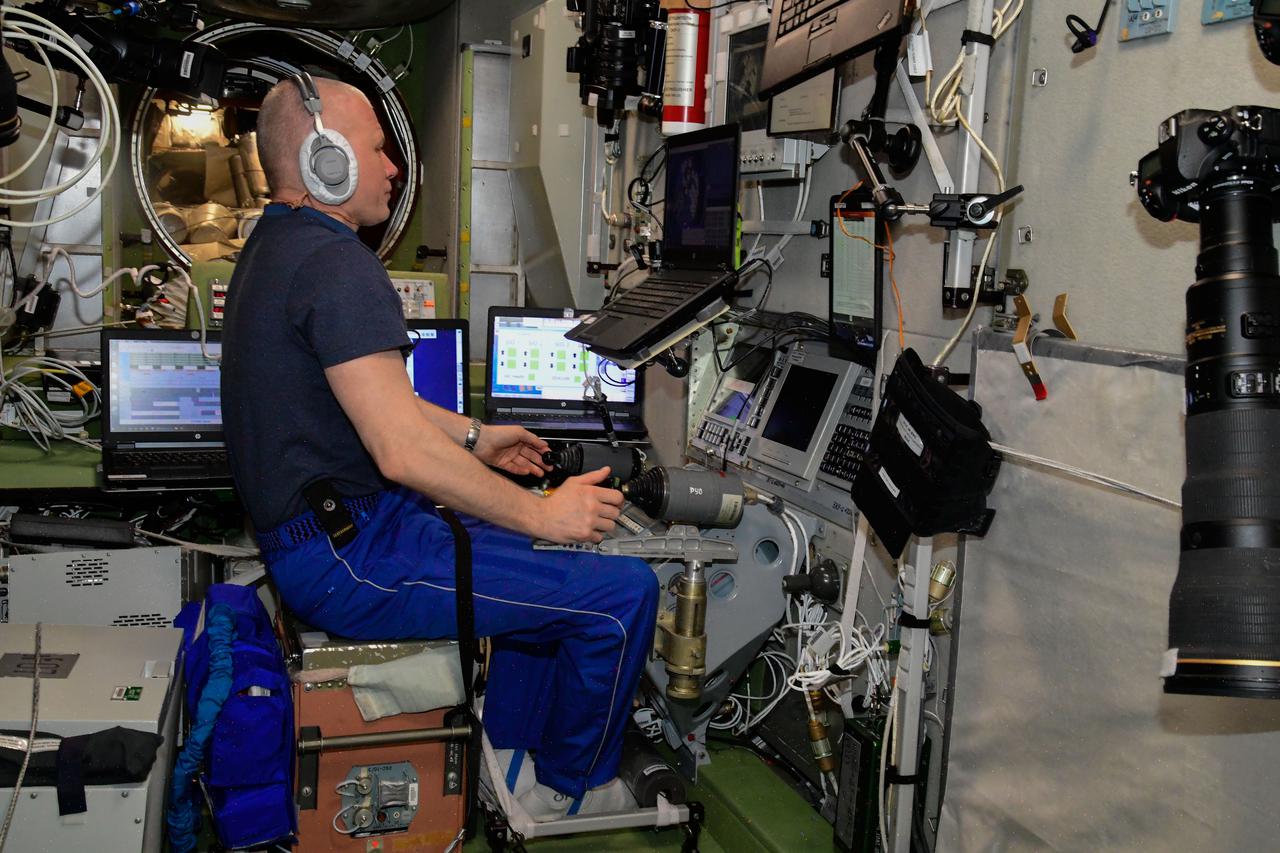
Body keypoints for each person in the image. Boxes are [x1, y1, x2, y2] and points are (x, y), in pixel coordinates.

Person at [220, 73, 658, 820]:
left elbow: (378, 401)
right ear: (328, 158)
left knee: (539, 565)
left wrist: (477, 437)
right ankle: (568, 786)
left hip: (330, 538)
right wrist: (542, 514)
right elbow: (399, 452)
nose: (395, 166)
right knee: (622, 596)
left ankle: (513, 757)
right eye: (378, 148)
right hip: (352, 556)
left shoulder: (276, 245)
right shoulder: (337, 263)